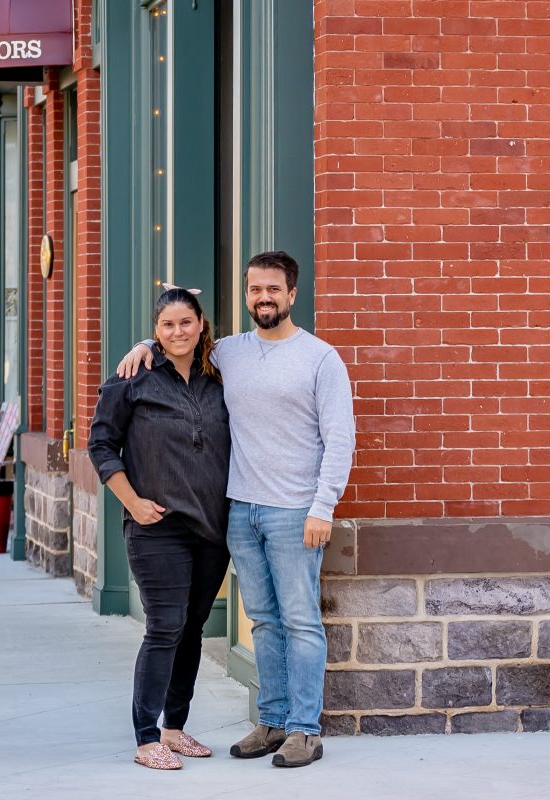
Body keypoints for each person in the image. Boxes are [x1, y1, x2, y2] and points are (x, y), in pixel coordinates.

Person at [118, 251, 355, 768]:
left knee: (301, 621)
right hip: (240, 511)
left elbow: (341, 440)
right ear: (245, 296)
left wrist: (323, 508)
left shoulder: (320, 358)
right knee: (264, 621)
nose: (263, 298)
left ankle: (305, 729)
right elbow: (177, 341)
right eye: (254, 290)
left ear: (293, 294)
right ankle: (270, 721)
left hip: (295, 511)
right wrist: (143, 344)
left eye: (273, 289)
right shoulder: (227, 352)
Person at [89, 286, 231, 771]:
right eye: (167, 326)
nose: (177, 332)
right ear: (155, 331)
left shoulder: (220, 376)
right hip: (157, 528)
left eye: (186, 323)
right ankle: (147, 736)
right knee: (165, 628)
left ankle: (174, 728)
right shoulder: (133, 377)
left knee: (191, 629)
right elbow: (101, 446)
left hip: (211, 529)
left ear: (201, 325)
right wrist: (133, 502)